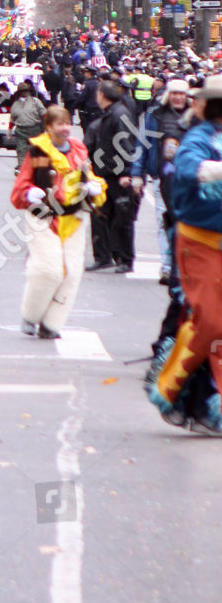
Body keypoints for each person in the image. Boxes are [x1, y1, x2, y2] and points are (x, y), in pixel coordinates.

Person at [146, 74, 222, 433]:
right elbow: (189, 170)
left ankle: (207, 402)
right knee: (209, 321)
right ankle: (171, 385)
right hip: (199, 243)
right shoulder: (197, 137)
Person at [11, 105, 106, 339]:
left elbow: (90, 176)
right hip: (43, 217)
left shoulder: (79, 150)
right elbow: (19, 189)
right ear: (49, 127)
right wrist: (29, 193)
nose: (65, 128)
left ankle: (52, 324)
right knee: (48, 270)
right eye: (59, 124)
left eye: (67, 123)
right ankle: (31, 316)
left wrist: (94, 187)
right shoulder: (37, 151)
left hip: (74, 217)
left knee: (72, 272)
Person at [131, 78, 190, 286]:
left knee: (187, 224)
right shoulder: (154, 116)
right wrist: (137, 174)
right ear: (168, 95)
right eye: (174, 93)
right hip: (161, 178)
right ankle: (167, 267)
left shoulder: (195, 117)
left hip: (189, 179)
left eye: (182, 94)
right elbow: (142, 144)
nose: (178, 97)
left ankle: (182, 265)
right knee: (164, 222)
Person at [86, 79, 138, 274]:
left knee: (122, 217)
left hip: (117, 175)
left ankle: (124, 258)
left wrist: (127, 172)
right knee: (100, 215)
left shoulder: (119, 114)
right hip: (105, 174)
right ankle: (104, 256)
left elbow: (127, 146)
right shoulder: (112, 114)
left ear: (101, 95)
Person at [9, 81, 48, 169]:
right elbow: (12, 118)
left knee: (35, 149)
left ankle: (35, 167)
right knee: (21, 149)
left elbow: (44, 113)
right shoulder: (15, 104)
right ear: (19, 93)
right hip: (20, 129)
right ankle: (21, 167)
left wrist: (46, 125)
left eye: (27, 91)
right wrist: (9, 130)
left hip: (34, 128)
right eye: (23, 91)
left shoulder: (35, 101)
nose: (25, 93)